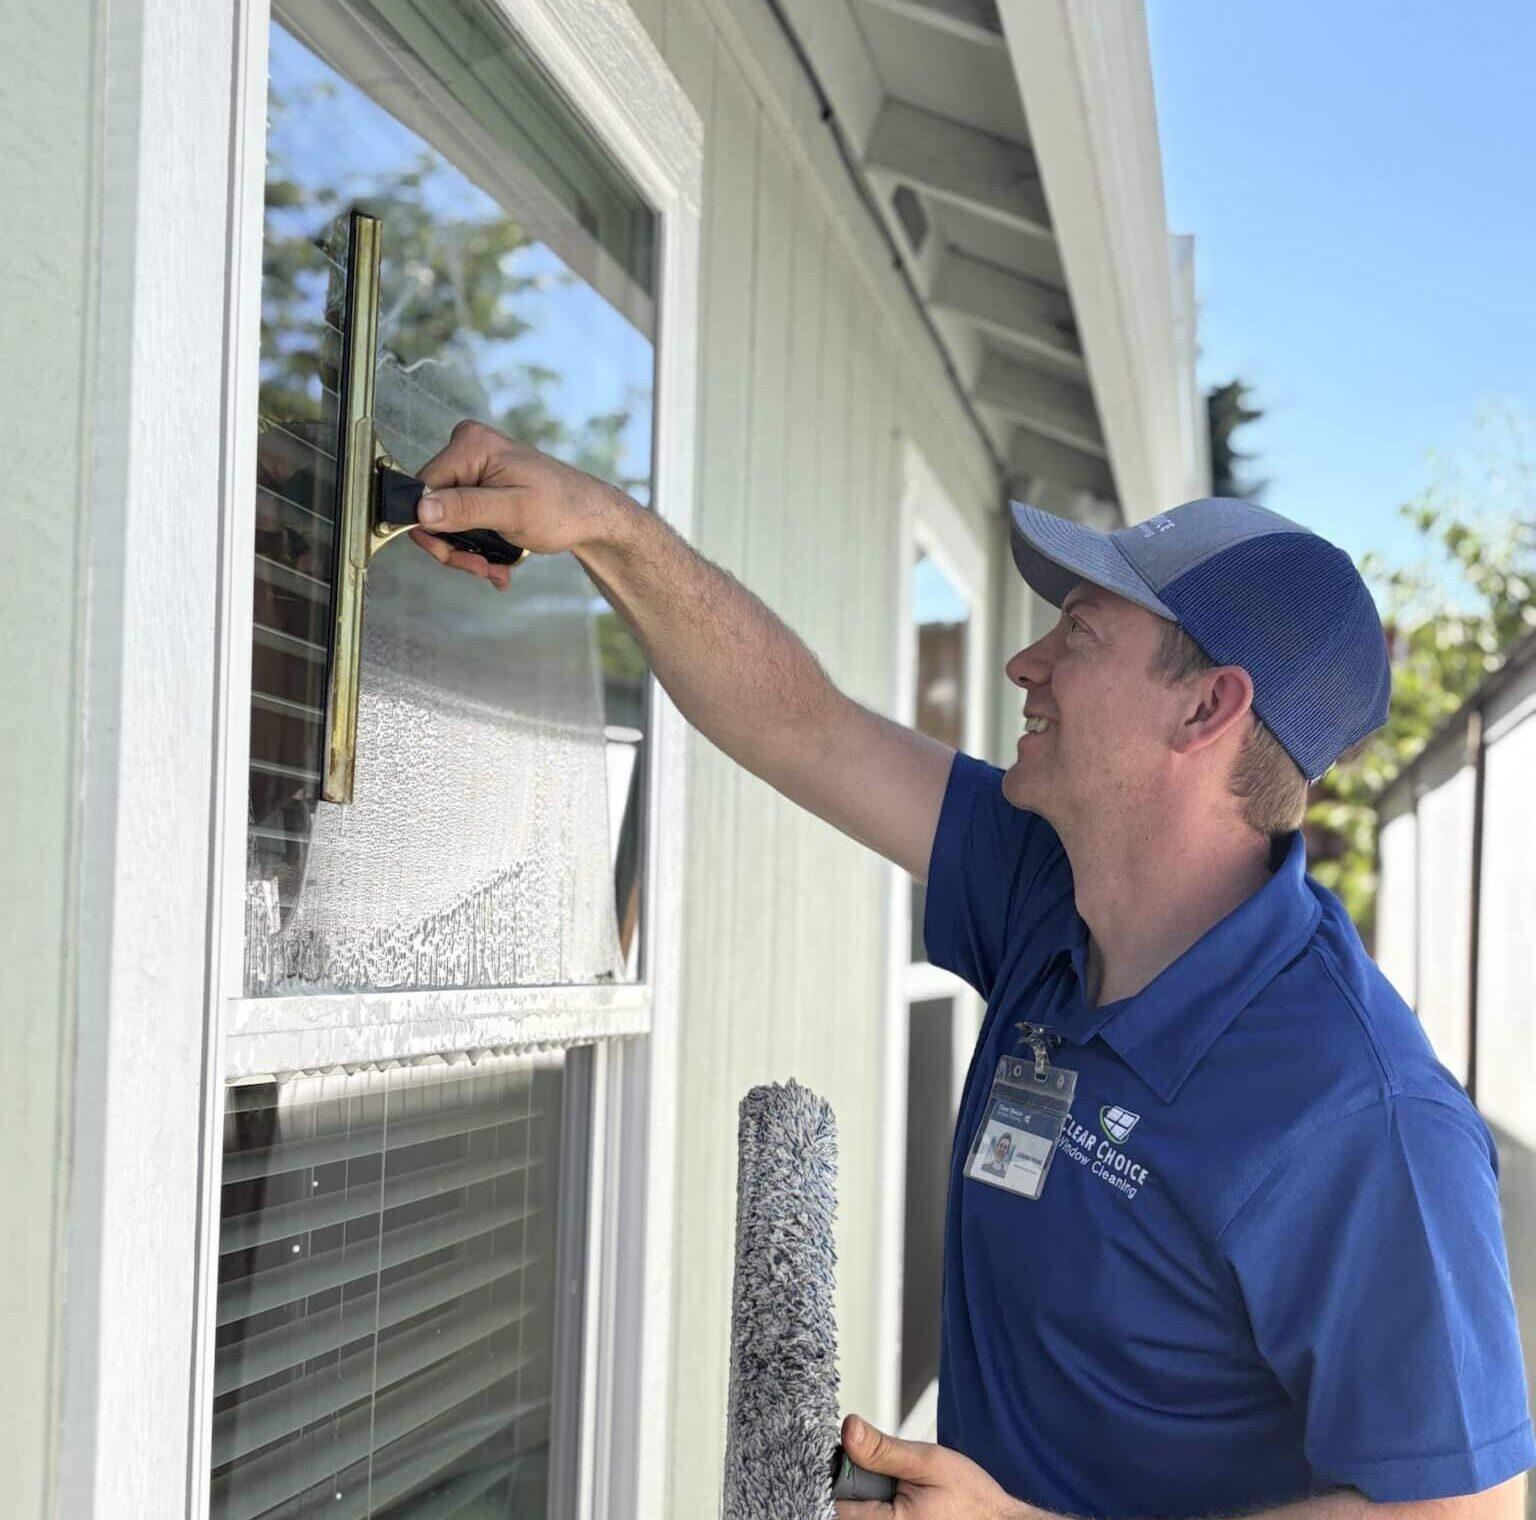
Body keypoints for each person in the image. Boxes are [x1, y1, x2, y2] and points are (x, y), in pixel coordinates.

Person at [409, 421, 1533, 1520]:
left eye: (1080, 635)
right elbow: (805, 726)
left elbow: (1465, 1508)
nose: (1021, 663)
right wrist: (606, 527)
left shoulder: (1359, 1113)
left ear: (1209, 705)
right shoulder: (1054, 886)